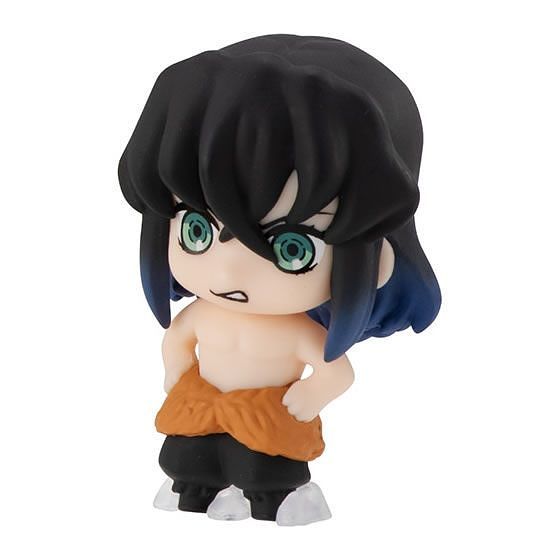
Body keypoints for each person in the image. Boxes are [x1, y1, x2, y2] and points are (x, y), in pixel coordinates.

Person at [118, 34, 441, 525]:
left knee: (264, 466)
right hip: (201, 402)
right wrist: (175, 371)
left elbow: (336, 372)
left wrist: (309, 398)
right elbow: (177, 339)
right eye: (196, 230)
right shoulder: (204, 314)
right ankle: (196, 488)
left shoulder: (296, 333)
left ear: (376, 256)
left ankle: (278, 498)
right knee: (185, 457)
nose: (228, 271)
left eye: (292, 247)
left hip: (269, 412)